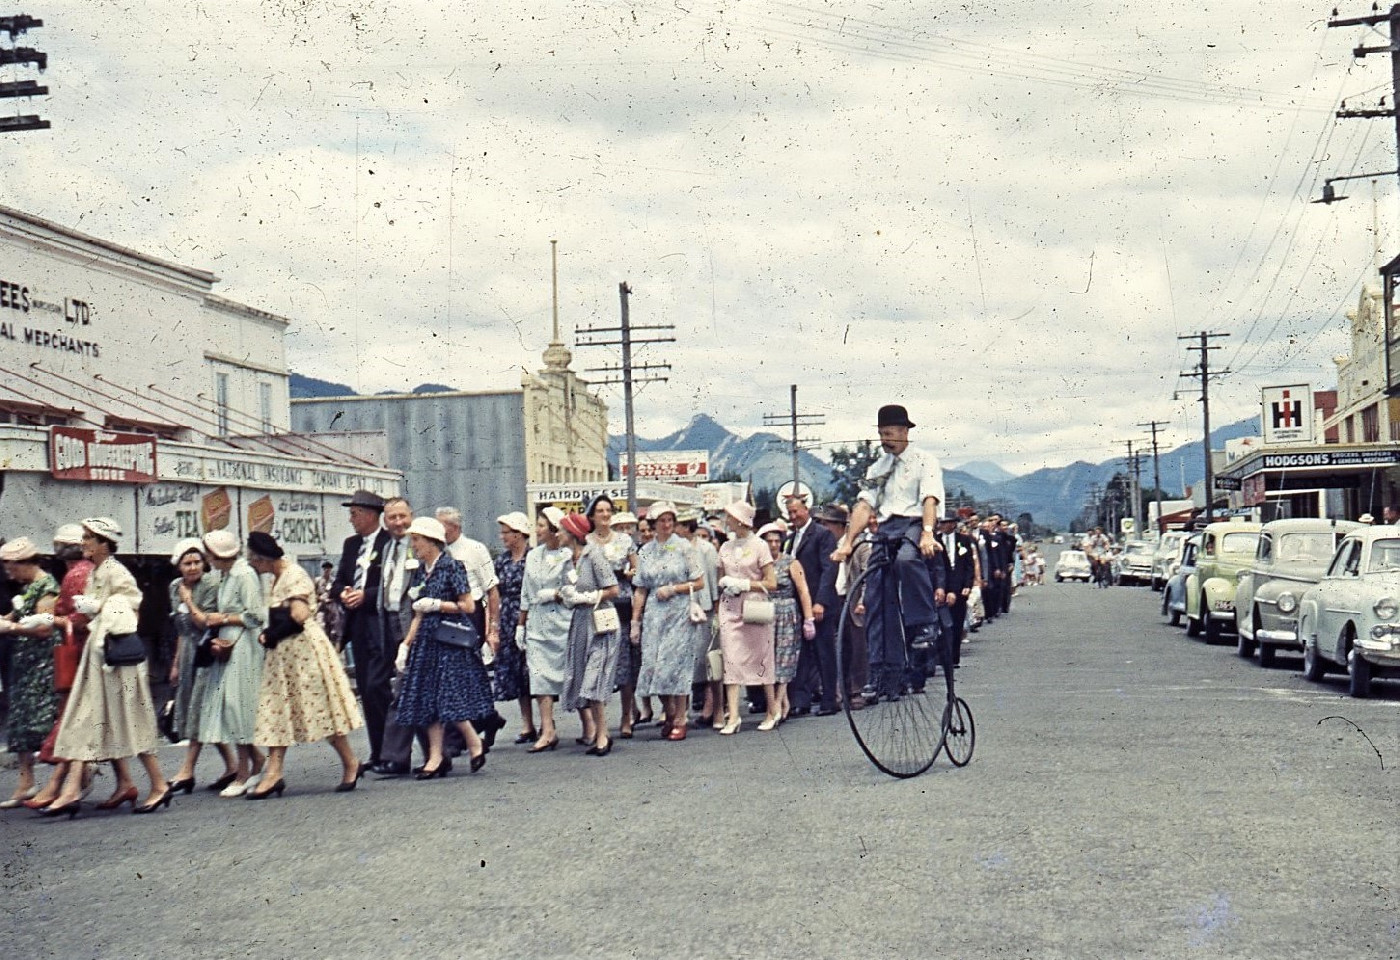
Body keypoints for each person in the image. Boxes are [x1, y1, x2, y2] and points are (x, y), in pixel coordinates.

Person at [45, 518, 172, 817]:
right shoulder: (98, 572)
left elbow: (129, 609)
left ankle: (157, 784)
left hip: (117, 659)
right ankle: (76, 789)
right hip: (101, 656)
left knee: (128, 718)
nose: (84, 542)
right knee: (90, 717)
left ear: (104, 542)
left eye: (89, 538)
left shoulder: (117, 572)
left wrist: (100, 607)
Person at [831, 405, 945, 701]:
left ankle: (924, 625)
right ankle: (882, 669)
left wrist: (928, 534)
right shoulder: (877, 468)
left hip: (914, 523)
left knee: (908, 560)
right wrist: (847, 542)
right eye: (882, 434)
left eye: (891, 433)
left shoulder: (924, 461)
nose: (886, 439)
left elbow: (930, 499)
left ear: (906, 432)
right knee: (875, 594)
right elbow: (864, 506)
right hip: (886, 528)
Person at [246, 532, 366, 797]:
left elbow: (299, 615)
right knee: (276, 710)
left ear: (264, 559)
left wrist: (271, 635)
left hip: (303, 651)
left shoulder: (294, 575)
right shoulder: (275, 577)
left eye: (254, 561)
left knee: (321, 707)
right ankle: (274, 773)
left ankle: (350, 762)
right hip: (283, 655)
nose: (253, 565)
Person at [392, 517, 488, 778]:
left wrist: (437, 604)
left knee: (447, 697)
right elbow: (418, 612)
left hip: (448, 641)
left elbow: (468, 605)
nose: (414, 545)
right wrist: (406, 644)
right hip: (426, 641)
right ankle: (436, 756)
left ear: (432, 541)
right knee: (429, 700)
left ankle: (472, 742)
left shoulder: (452, 567)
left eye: (417, 540)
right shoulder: (421, 572)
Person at [181, 529, 266, 798]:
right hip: (230, 644)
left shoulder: (242, 574)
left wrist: (222, 619)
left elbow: (256, 615)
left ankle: (244, 771)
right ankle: (252, 765)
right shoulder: (228, 575)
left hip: (241, 646)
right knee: (231, 707)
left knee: (237, 705)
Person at [164, 538, 235, 790]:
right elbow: (181, 629)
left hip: (207, 651)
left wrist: (189, 601)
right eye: (187, 563)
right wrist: (175, 664)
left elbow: (204, 623)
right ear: (178, 566)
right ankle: (234, 765)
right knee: (199, 710)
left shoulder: (210, 584)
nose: (193, 567)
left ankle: (186, 771)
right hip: (187, 653)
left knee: (200, 708)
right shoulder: (174, 587)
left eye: (197, 562)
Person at [329, 489, 392, 771]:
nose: (351, 520)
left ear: (369, 515)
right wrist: (343, 592)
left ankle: (394, 751)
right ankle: (379, 752)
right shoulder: (351, 544)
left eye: (355, 514)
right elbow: (338, 581)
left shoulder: (390, 542)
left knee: (380, 687)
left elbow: (394, 585)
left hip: (380, 622)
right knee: (367, 690)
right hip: (357, 626)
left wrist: (365, 596)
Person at [631, 501, 705, 740]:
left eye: (670, 520)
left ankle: (681, 717)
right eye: (662, 520)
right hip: (654, 615)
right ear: (653, 524)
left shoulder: (684, 547)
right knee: (653, 666)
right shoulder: (645, 551)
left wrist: (674, 588)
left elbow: (699, 581)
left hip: (679, 613)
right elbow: (640, 588)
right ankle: (670, 710)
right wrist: (635, 621)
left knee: (676, 665)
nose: (666, 524)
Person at [0, 537, 60, 807]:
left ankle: (67, 777)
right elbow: (14, 616)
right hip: (24, 664)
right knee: (20, 720)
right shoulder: (27, 588)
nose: (9, 573)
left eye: (11, 567)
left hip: (42, 664)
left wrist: (11, 629)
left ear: (24, 563)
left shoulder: (46, 587)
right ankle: (26, 782)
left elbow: (44, 627)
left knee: (43, 720)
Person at [557, 512, 622, 756]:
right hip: (581, 622)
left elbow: (613, 589)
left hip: (600, 621)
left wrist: (589, 596)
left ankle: (603, 735)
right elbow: (569, 593)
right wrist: (567, 597)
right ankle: (598, 733)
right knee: (585, 679)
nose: (559, 535)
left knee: (595, 678)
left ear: (573, 533)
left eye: (562, 531)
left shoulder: (593, 555)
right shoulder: (567, 561)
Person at [712, 502, 778, 734]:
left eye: (729, 516)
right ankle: (734, 716)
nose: (726, 520)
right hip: (730, 608)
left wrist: (745, 584)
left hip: (754, 606)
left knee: (761, 657)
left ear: (740, 520)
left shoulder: (760, 545)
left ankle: (772, 709)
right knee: (731, 657)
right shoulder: (725, 547)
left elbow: (771, 582)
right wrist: (725, 585)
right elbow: (720, 577)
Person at [519, 507, 572, 752]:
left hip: (562, 621)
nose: (537, 530)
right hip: (537, 622)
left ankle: (589, 725)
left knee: (571, 673)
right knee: (539, 675)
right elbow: (526, 592)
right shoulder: (532, 556)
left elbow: (575, 589)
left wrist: (555, 593)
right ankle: (547, 729)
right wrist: (521, 623)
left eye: (541, 525)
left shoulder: (568, 555)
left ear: (553, 528)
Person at [586, 498, 639, 736]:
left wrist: (630, 572)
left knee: (623, 663)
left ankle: (627, 715)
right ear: (592, 516)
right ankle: (600, 722)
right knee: (598, 663)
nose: (605, 514)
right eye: (600, 511)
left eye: (608, 510)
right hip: (597, 604)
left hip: (621, 602)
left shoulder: (624, 540)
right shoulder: (587, 541)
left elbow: (637, 569)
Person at [785, 493, 837, 716]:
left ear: (807, 510)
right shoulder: (791, 537)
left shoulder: (822, 534)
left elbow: (829, 569)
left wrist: (820, 602)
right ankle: (801, 701)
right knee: (802, 655)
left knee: (824, 652)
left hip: (818, 603)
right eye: (790, 513)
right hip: (798, 604)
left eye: (796, 511)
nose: (794, 516)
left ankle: (829, 700)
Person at [758, 522, 815, 726]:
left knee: (785, 658)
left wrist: (808, 619)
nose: (773, 545)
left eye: (776, 541)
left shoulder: (791, 562)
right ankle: (779, 702)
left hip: (786, 612)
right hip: (765, 612)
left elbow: (803, 590)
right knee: (768, 658)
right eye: (769, 541)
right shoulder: (761, 564)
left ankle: (779, 700)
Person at [493, 511, 536, 743]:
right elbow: (495, 593)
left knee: (534, 671)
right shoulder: (501, 561)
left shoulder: (534, 557)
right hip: (508, 617)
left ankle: (547, 722)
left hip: (531, 616)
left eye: (506, 532)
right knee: (517, 673)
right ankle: (527, 723)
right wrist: (495, 624)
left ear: (519, 534)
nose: (502, 537)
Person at [937, 514, 978, 667]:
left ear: (953, 524)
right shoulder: (936, 539)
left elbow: (969, 565)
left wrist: (968, 584)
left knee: (957, 623)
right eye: (942, 522)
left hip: (960, 587)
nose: (943, 525)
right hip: (942, 586)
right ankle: (941, 657)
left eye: (947, 522)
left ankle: (954, 658)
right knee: (942, 625)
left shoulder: (964, 540)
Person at [315, 561, 344, 648]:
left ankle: (335, 646)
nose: (326, 570)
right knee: (321, 626)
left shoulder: (334, 581)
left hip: (332, 606)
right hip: (321, 606)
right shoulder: (318, 581)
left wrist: (332, 598)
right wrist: (320, 598)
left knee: (335, 626)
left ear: (331, 569)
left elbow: (338, 594)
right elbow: (313, 594)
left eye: (328, 568)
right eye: (325, 568)